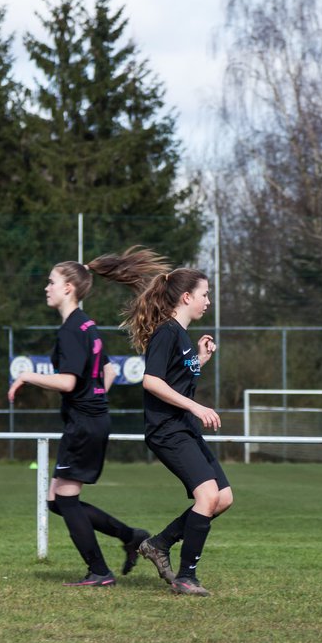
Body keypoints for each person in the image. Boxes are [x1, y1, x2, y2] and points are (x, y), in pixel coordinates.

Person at [92, 248, 232, 596]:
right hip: (167, 429)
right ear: (187, 297)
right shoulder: (167, 333)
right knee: (207, 496)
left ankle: (158, 545)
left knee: (223, 498)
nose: (207, 302)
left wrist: (199, 359)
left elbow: (177, 380)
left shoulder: (181, 336)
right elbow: (152, 382)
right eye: (204, 295)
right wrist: (197, 408)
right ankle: (186, 576)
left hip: (183, 427)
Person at [8, 260, 149, 587]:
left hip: (84, 425)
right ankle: (130, 536)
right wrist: (95, 400)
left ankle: (99, 571)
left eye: (51, 281)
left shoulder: (72, 329)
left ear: (68, 287)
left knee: (66, 501)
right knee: (55, 501)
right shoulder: (88, 325)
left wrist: (26, 376)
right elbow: (109, 373)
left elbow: (70, 382)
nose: (47, 287)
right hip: (91, 420)